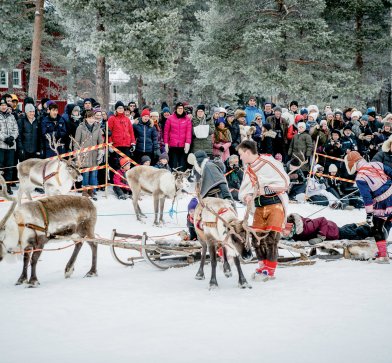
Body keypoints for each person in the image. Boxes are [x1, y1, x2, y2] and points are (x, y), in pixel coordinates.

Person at [238, 140, 290, 281]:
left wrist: (264, 189)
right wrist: (247, 196)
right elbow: (243, 190)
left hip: (275, 205)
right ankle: (262, 266)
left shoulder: (268, 162)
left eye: (241, 154)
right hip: (258, 207)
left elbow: (285, 182)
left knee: (271, 238)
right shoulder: (248, 169)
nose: (240, 157)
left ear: (248, 152)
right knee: (257, 238)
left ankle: (270, 270)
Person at [344, 151, 392, 263]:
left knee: (376, 228)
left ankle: (383, 256)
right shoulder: (377, 164)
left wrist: (369, 214)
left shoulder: (360, 177)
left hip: (383, 202)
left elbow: (367, 198)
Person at [283, 213, 373, 244]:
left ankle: (368, 228)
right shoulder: (296, 230)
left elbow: (322, 219)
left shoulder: (307, 228)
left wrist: (321, 237)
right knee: (345, 229)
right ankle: (353, 225)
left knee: (355, 236)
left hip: (333, 232)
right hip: (330, 227)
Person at [74, 110, 104, 200]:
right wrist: (77, 154)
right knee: (86, 173)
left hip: (94, 154)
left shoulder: (97, 127)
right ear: (86, 118)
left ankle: (92, 190)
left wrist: (101, 151)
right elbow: (76, 142)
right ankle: (85, 191)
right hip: (84, 155)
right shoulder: (80, 128)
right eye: (90, 117)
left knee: (94, 173)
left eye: (93, 117)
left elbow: (100, 141)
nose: (91, 119)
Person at [163, 102, 192, 171]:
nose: (180, 110)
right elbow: (166, 132)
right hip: (173, 146)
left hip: (183, 146)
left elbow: (188, 132)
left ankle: (182, 179)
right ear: (176, 109)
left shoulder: (187, 119)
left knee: (182, 165)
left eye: (181, 108)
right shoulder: (170, 118)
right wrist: (166, 143)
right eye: (178, 108)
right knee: (174, 164)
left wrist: (187, 143)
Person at [0, 98, 19, 194]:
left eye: (5, 105)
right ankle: (1, 186)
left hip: (11, 147)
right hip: (1, 146)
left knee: (10, 167)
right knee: (1, 167)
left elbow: (16, 129)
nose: (4, 107)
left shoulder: (12, 117)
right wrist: (5, 139)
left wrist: (12, 137)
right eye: (2, 105)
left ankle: (7, 186)